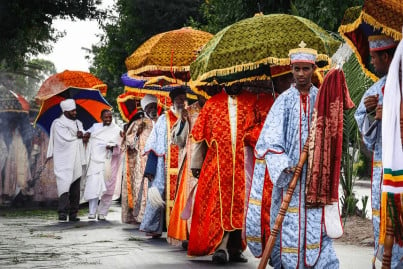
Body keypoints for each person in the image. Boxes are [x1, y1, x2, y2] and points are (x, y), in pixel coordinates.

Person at [255, 44, 339, 268]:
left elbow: (333, 133)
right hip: (289, 179)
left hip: (315, 180)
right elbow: (269, 140)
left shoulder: (321, 100)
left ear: (313, 69)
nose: (301, 74)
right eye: (297, 69)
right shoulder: (283, 100)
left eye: (306, 69)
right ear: (291, 70)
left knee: (316, 228)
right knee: (288, 226)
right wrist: (284, 165)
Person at [188, 83, 267, 264]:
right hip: (217, 164)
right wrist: (196, 163)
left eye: (237, 81)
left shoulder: (252, 101)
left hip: (244, 164)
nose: (233, 84)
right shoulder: (212, 104)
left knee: (242, 206)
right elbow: (200, 138)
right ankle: (220, 247)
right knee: (219, 206)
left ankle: (236, 247)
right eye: (229, 81)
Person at [354, 35, 402, 267]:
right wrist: (373, 116)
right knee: (383, 224)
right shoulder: (374, 92)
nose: (372, 63)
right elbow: (368, 142)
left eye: (374, 58)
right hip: (383, 174)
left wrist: (393, 117)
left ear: (386, 56)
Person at [140, 87, 185, 238]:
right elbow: (153, 143)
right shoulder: (163, 119)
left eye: (183, 99)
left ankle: (182, 230)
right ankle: (153, 228)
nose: (181, 102)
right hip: (163, 164)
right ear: (172, 101)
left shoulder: (189, 115)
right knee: (158, 192)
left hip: (184, 162)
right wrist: (150, 168)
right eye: (178, 99)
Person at [167, 94, 207, 247]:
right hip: (191, 160)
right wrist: (183, 122)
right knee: (191, 197)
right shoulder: (189, 111)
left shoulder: (216, 106)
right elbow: (177, 140)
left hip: (213, 157)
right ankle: (189, 234)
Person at [121, 94, 159, 224]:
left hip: (160, 161)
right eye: (150, 107)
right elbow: (128, 142)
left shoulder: (162, 120)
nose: (153, 109)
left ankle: (159, 220)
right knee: (144, 190)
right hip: (142, 162)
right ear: (144, 109)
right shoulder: (138, 122)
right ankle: (143, 218)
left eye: (155, 106)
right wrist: (137, 132)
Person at [47, 99, 86, 222]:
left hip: (77, 158)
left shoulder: (79, 123)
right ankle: (62, 212)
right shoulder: (58, 123)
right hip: (64, 159)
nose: (75, 112)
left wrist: (85, 134)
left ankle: (73, 213)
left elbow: (82, 133)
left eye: (75, 110)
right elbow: (63, 139)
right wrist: (77, 135)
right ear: (65, 111)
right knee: (64, 185)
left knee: (75, 187)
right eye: (72, 111)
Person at [83, 109, 123, 220]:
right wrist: (86, 136)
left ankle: (102, 213)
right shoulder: (95, 127)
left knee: (108, 189)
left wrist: (112, 147)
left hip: (109, 163)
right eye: (106, 117)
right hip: (95, 162)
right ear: (101, 117)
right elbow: (87, 136)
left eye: (110, 117)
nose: (108, 119)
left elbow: (121, 146)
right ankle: (92, 212)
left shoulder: (117, 130)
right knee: (93, 186)